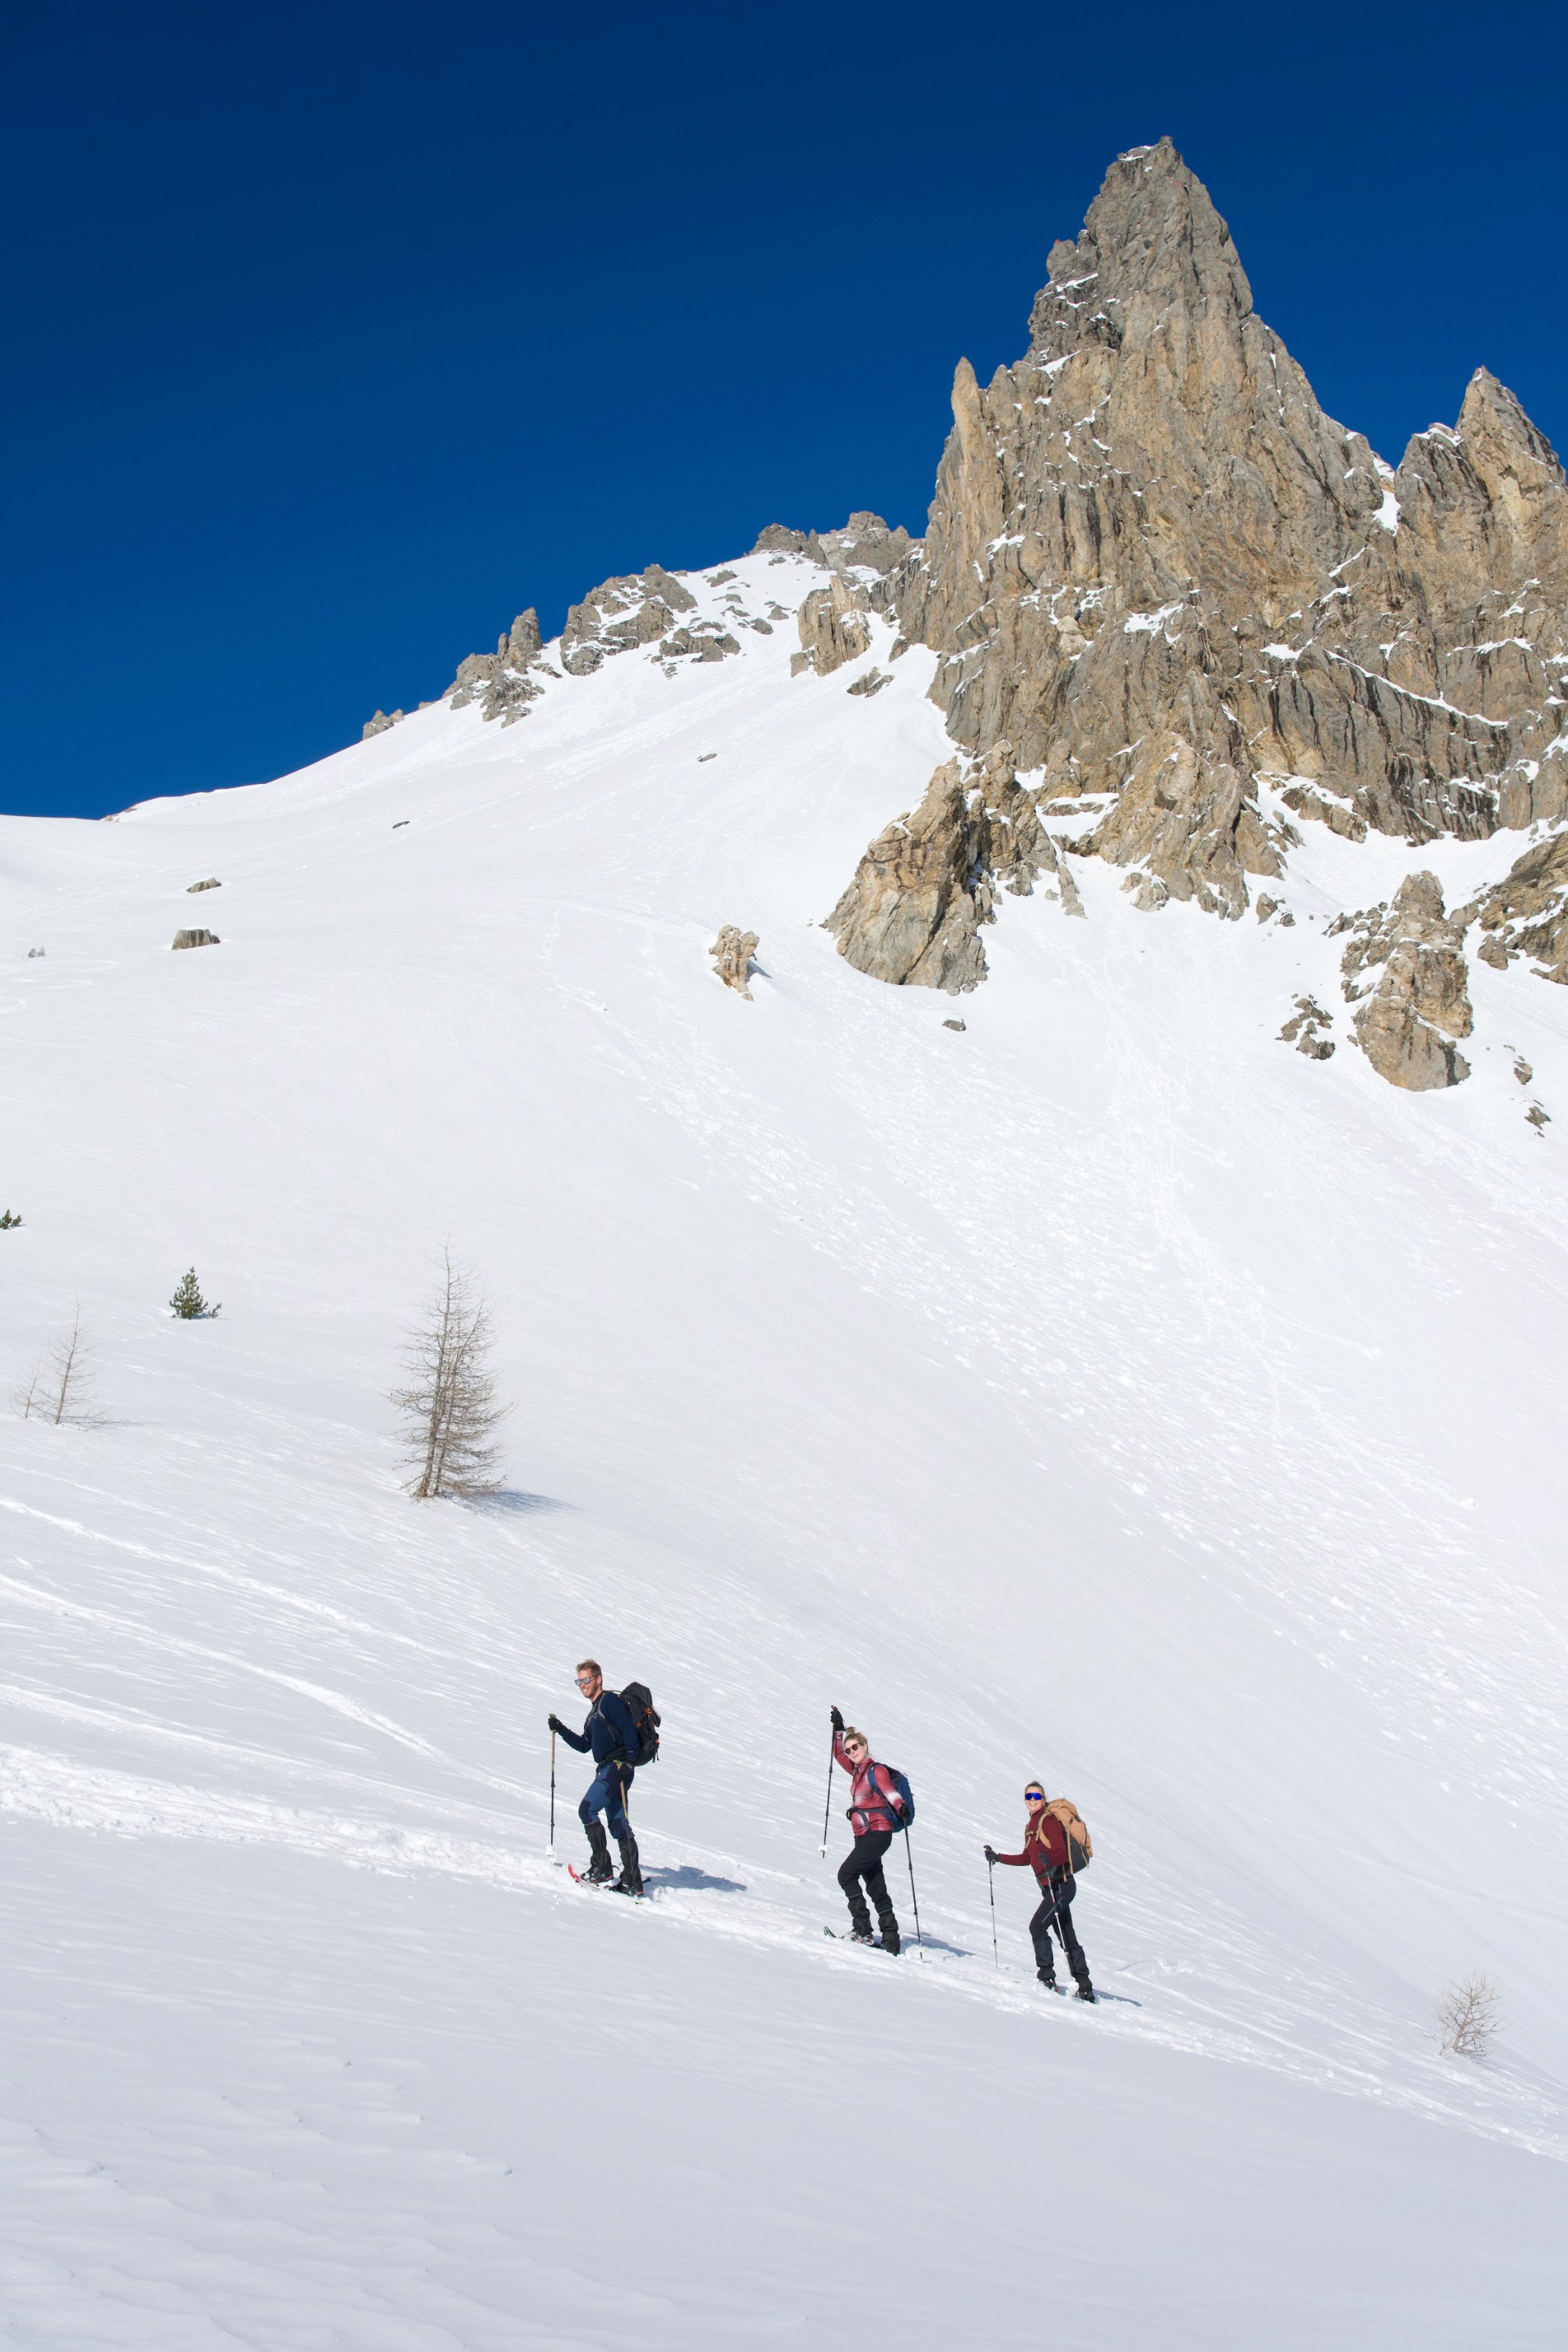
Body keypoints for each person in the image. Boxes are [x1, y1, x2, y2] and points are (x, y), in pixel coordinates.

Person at [985, 1782, 1095, 1999]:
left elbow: (1061, 1853)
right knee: (1066, 1936)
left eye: (1036, 1796)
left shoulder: (1049, 1821)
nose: (1032, 1800)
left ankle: (1047, 1978)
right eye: (1028, 1797)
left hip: (1061, 1885)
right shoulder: (1031, 1825)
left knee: (1037, 1926)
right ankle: (1085, 1987)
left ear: (1044, 1799)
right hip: (1051, 1888)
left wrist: (1049, 1859)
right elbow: (1027, 1858)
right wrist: (998, 1857)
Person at [549, 1660, 642, 1894]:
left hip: (616, 1768)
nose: (583, 1685)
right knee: (618, 1824)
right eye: (579, 1681)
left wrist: (629, 1761)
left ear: (598, 1679)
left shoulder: (609, 1701)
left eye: (586, 1680)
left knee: (587, 1810)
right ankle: (632, 1880)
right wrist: (560, 1729)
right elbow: (584, 1745)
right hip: (610, 1769)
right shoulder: (594, 1713)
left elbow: (629, 1729)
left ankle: (602, 1868)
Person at [829, 1705, 906, 1953]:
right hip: (863, 1836)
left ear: (865, 1746)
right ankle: (891, 1940)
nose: (852, 1752)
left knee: (846, 1875)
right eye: (849, 1749)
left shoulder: (876, 1770)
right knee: (875, 1885)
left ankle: (862, 1931)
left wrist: (901, 1806)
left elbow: (890, 1793)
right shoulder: (857, 1771)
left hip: (878, 1833)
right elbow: (837, 1755)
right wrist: (838, 1730)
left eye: (856, 1747)